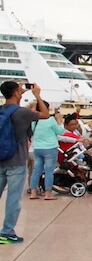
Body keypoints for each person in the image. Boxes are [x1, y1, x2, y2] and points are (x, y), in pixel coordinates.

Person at [1, 82, 49, 242]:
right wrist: (36, 95)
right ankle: (7, 232)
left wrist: (18, 94)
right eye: (19, 90)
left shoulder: (2, 111)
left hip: (1, 159)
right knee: (13, 198)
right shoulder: (22, 112)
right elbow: (45, 114)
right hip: (16, 160)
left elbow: (11, 112)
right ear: (15, 93)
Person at [28, 110, 65, 200]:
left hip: (37, 147)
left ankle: (33, 192)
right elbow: (60, 131)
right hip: (50, 148)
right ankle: (48, 193)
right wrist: (59, 121)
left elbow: (33, 130)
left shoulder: (35, 121)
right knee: (49, 171)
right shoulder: (51, 120)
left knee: (36, 171)